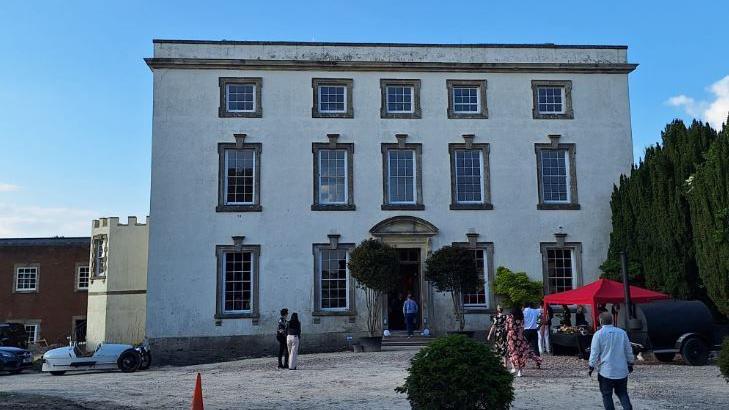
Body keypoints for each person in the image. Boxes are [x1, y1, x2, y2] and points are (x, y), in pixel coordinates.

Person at [589, 312, 635, 410]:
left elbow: (594, 353)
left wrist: (591, 366)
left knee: (607, 395)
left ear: (601, 321)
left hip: (606, 371)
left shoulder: (598, 334)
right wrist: (630, 363)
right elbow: (628, 350)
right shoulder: (622, 333)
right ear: (612, 321)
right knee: (623, 393)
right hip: (621, 370)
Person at [506, 306, 543, 377]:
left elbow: (507, 328)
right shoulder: (521, 318)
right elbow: (523, 327)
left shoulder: (509, 318)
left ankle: (513, 368)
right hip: (520, 336)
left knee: (512, 352)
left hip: (511, 337)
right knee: (522, 353)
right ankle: (520, 371)